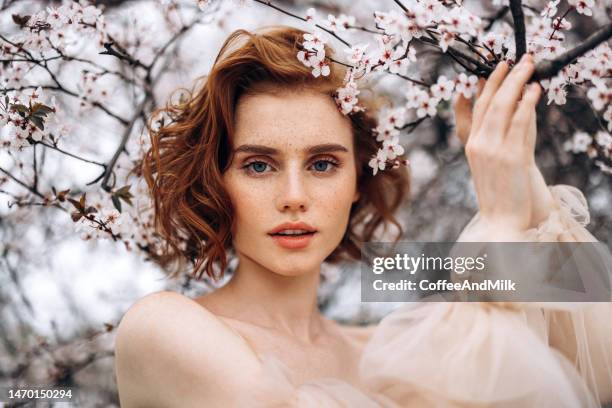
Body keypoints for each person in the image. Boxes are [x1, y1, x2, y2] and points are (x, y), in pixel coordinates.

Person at [113, 26, 612, 407]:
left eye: (323, 164)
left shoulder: (384, 345)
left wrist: (520, 180)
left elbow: (593, 357)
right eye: (258, 165)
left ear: (358, 180)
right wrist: (498, 228)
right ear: (217, 179)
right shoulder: (162, 330)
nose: (294, 196)